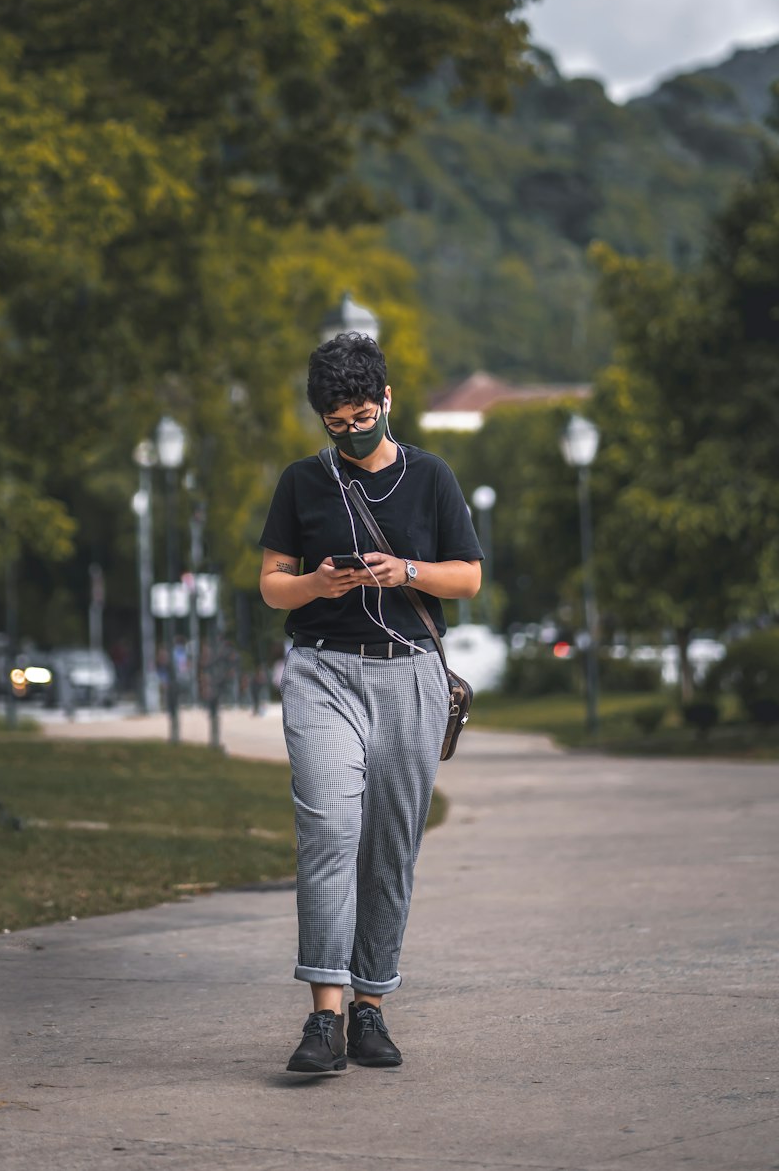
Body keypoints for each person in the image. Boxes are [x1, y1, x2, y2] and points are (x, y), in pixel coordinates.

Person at [259, 331, 483, 1073]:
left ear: (387, 399)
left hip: (409, 676)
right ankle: (323, 1017)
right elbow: (271, 584)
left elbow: (469, 579)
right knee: (329, 833)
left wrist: (407, 570)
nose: (353, 429)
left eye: (363, 414)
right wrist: (316, 584)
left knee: (390, 849)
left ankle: (371, 1007)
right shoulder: (301, 482)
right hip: (323, 672)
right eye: (337, 420)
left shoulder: (433, 477)